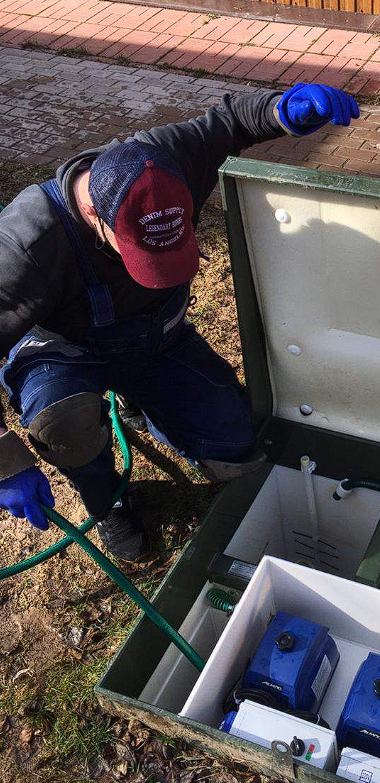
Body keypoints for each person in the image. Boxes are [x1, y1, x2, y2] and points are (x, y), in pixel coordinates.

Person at [0, 83, 359, 562]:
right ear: (92, 213)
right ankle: (106, 499)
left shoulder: (163, 161)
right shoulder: (26, 243)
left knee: (234, 440)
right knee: (64, 423)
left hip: (158, 343)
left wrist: (283, 110)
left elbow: (232, 122)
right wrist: (6, 463)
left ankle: (135, 402)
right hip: (65, 352)